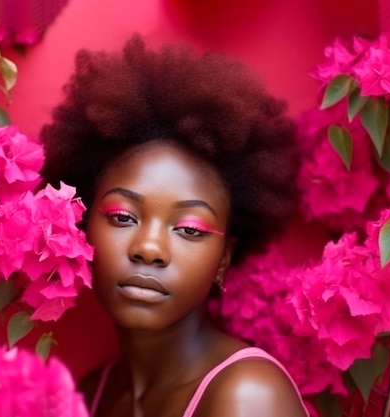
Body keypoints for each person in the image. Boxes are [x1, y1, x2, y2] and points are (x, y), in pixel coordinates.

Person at [41, 35, 309, 417]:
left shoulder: (247, 398)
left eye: (189, 229)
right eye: (122, 217)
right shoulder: (92, 393)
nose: (148, 248)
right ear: (82, 228)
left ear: (223, 259)